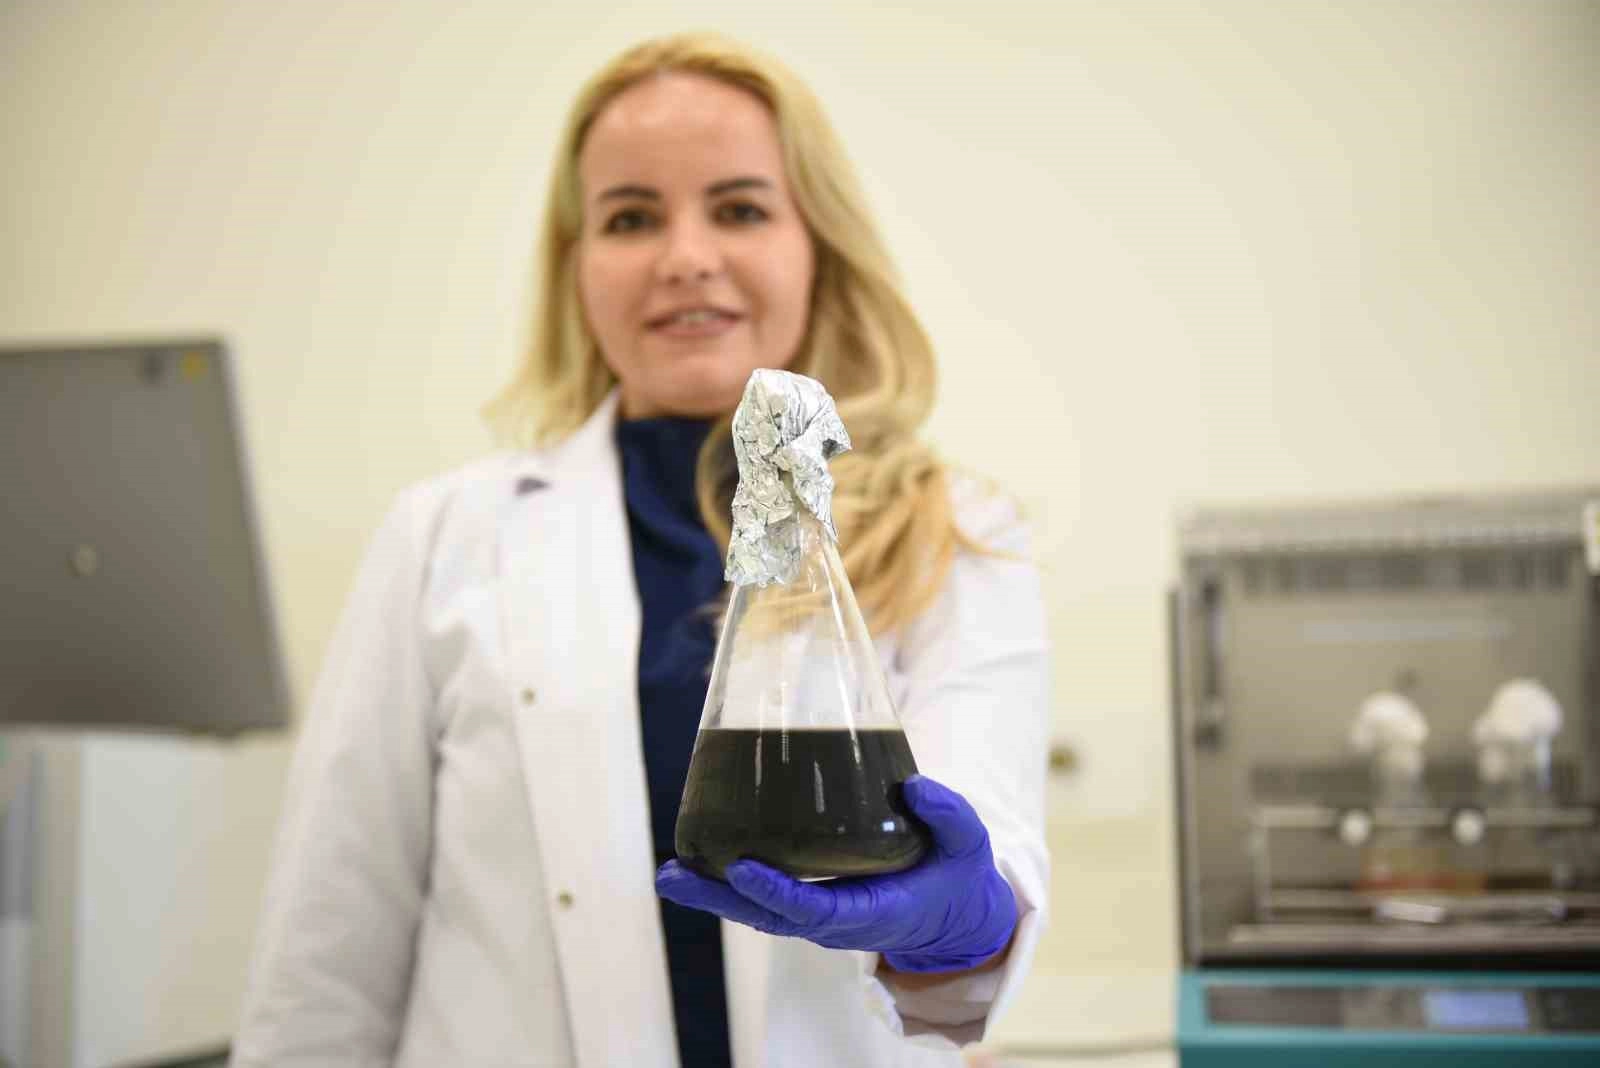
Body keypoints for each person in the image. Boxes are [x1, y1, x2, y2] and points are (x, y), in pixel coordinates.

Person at [230, 31, 1050, 1068]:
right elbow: (329, 950)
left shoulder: (955, 530)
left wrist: (956, 926)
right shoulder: (444, 537)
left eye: (739, 209)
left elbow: (986, 852)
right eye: (630, 217)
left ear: (818, 245)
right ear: (576, 268)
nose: (685, 257)